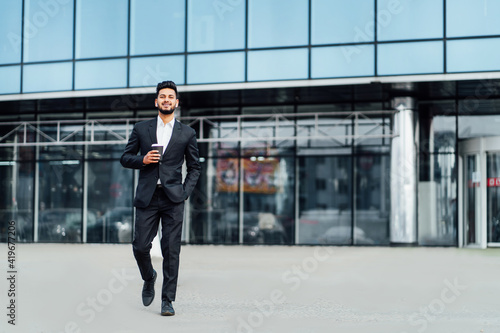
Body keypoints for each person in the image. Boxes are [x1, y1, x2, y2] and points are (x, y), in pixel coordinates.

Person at [120, 81, 201, 316]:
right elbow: (125, 158)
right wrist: (142, 160)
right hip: (147, 196)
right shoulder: (141, 128)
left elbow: (195, 167)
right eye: (162, 96)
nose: (166, 99)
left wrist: (184, 192)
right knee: (140, 246)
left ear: (177, 102)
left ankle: (168, 300)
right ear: (156, 102)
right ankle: (149, 276)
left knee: (171, 250)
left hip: (173, 198)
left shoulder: (187, 133)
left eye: (170, 96)